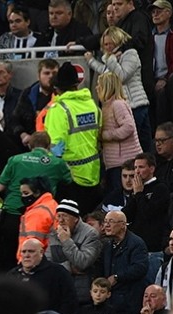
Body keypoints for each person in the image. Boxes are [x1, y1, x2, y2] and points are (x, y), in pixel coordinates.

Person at [40, 61, 102, 210]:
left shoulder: (59, 110)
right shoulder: (92, 104)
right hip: (94, 172)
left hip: (70, 177)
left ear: (57, 88)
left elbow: (56, 148)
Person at [101, 210, 149, 314]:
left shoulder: (136, 243)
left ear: (123, 225)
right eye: (105, 221)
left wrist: (117, 277)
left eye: (111, 221)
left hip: (129, 303)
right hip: (112, 302)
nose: (106, 225)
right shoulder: (107, 244)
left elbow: (140, 268)